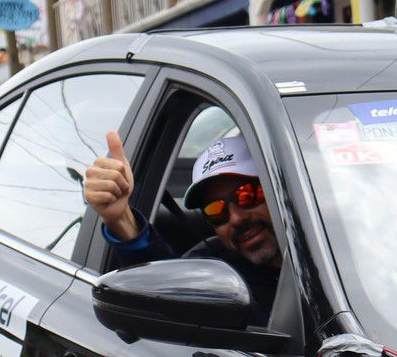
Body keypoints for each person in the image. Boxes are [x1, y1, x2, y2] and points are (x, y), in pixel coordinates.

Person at [82, 130, 281, 326]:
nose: (236, 218)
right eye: (216, 210)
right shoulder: (219, 273)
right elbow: (163, 287)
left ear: (278, 190)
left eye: (247, 195)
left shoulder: (313, 231)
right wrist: (120, 219)